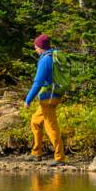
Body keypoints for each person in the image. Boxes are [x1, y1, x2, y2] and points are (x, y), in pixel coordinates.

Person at [25, 33, 65, 164]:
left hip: (48, 98)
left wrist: (28, 99)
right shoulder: (54, 56)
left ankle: (60, 158)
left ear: (41, 47)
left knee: (51, 127)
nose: (35, 49)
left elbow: (38, 82)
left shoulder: (45, 60)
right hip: (54, 95)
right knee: (35, 121)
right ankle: (36, 153)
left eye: (36, 47)